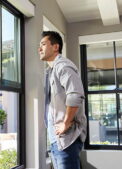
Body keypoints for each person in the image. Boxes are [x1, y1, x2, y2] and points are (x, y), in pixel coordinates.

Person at [38, 31, 87, 169]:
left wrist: (66, 123)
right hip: (57, 139)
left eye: (43, 44)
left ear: (55, 47)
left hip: (67, 139)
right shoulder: (51, 71)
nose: (39, 49)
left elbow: (76, 95)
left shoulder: (63, 66)